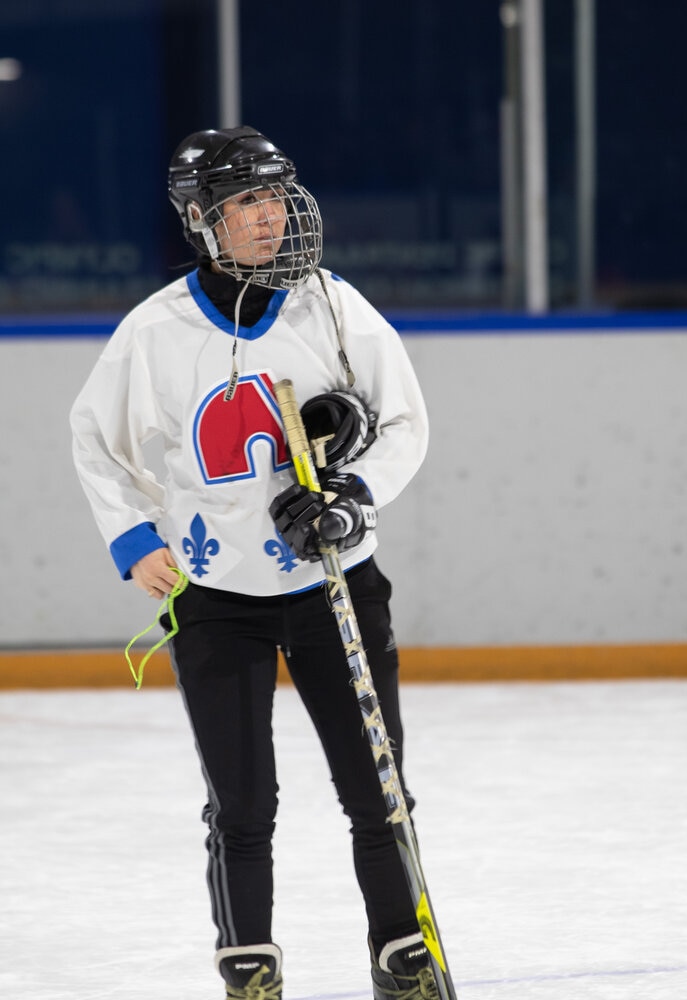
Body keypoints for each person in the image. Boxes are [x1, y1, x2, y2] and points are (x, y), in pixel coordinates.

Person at [70, 126, 438, 1000]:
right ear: (202, 220)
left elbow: (405, 424)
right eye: (247, 203)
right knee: (241, 807)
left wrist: (352, 495)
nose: (272, 216)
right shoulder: (155, 332)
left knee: (377, 792)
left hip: (334, 585)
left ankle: (401, 955)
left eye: (277, 196)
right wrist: (134, 538)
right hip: (217, 598)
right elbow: (96, 438)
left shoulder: (335, 307)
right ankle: (250, 967)